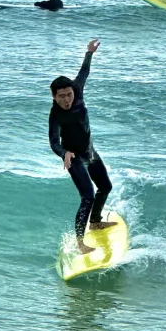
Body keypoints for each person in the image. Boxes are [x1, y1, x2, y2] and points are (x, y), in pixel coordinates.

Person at [49, 39, 113, 255]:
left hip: (90, 152)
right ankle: (79, 242)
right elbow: (53, 142)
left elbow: (84, 72)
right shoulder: (55, 115)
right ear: (54, 97)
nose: (67, 99)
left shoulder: (77, 89)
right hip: (74, 157)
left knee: (105, 187)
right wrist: (64, 153)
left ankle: (95, 222)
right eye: (61, 96)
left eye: (69, 95)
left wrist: (89, 53)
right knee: (88, 196)